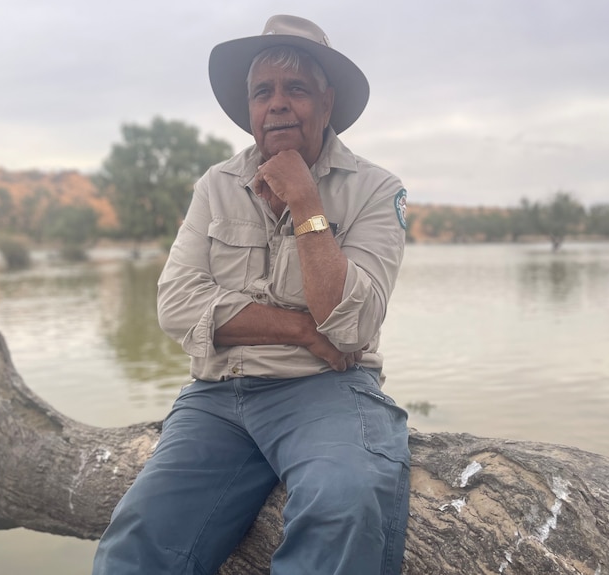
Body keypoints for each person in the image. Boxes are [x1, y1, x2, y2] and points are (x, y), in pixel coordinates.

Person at [93, 14, 410, 575]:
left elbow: (354, 329)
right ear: (249, 109)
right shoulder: (215, 186)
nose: (279, 104)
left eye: (297, 90)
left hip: (325, 389)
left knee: (346, 501)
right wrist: (300, 329)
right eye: (263, 91)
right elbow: (176, 303)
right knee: (137, 540)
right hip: (218, 396)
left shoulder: (376, 189)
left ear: (327, 102)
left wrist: (308, 205)